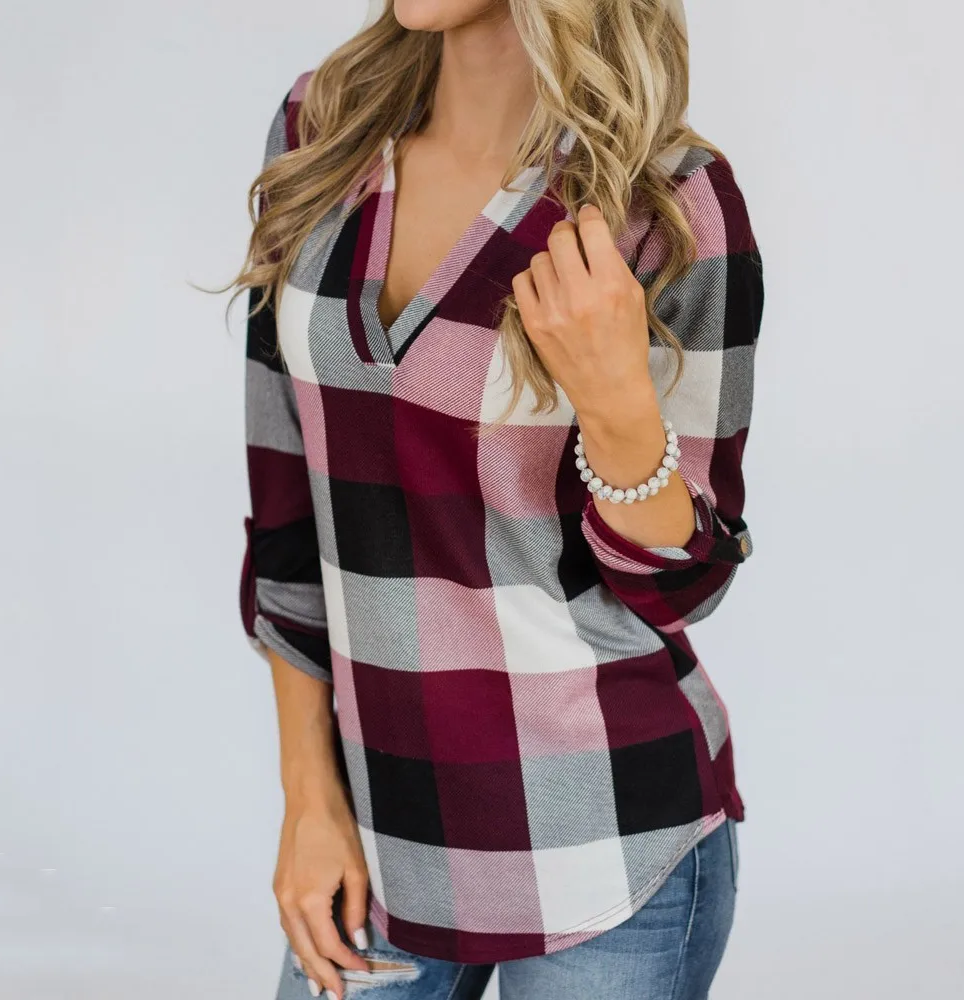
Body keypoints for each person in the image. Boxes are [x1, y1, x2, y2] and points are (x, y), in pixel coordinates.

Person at [231, 2, 762, 998]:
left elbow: (683, 587)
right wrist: (308, 797)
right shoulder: (323, 127)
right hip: (376, 842)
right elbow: (286, 508)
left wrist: (615, 402)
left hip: (605, 842)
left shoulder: (668, 201)